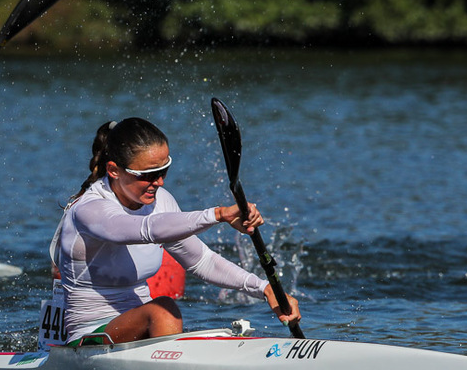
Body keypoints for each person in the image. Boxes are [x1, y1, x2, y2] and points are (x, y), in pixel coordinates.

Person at [53, 117, 300, 345]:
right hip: (88, 335)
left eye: (163, 171)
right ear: (114, 170)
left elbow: (202, 261)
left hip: (138, 327)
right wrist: (218, 214)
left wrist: (264, 289)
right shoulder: (89, 209)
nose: (159, 182)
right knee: (163, 308)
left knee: (164, 311)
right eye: (148, 175)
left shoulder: (161, 201)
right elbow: (145, 229)